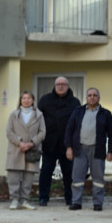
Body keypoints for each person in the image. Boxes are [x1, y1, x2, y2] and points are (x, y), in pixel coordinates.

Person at [65, 88, 112, 211]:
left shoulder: (105, 113)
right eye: (89, 95)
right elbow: (69, 130)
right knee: (77, 178)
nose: (92, 97)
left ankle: (98, 203)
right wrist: (69, 148)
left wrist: (110, 151)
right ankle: (76, 202)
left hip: (97, 149)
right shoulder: (78, 111)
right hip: (79, 149)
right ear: (86, 98)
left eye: (95, 95)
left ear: (99, 98)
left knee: (98, 178)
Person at [37, 76, 81, 206]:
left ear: (68, 86)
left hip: (67, 145)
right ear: (55, 86)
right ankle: (43, 198)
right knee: (46, 172)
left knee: (69, 174)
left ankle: (70, 198)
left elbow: (77, 125)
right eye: (58, 84)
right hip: (49, 143)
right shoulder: (45, 100)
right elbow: (38, 120)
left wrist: (73, 145)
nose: (60, 86)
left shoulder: (75, 102)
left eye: (63, 84)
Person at [5, 92, 46, 210]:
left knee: (28, 177)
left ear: (33, 100)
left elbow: (42, 132)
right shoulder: (14, 115)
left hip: (32, 150)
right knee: (14, 176)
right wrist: (20, 142)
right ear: (20, 100)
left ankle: (25, 200)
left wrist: (32, 143)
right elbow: (9, 131)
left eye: (29, 98)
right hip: (16, 149)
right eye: (24, 98)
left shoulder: (39, 115)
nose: (26, 100)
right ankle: (14, 199)